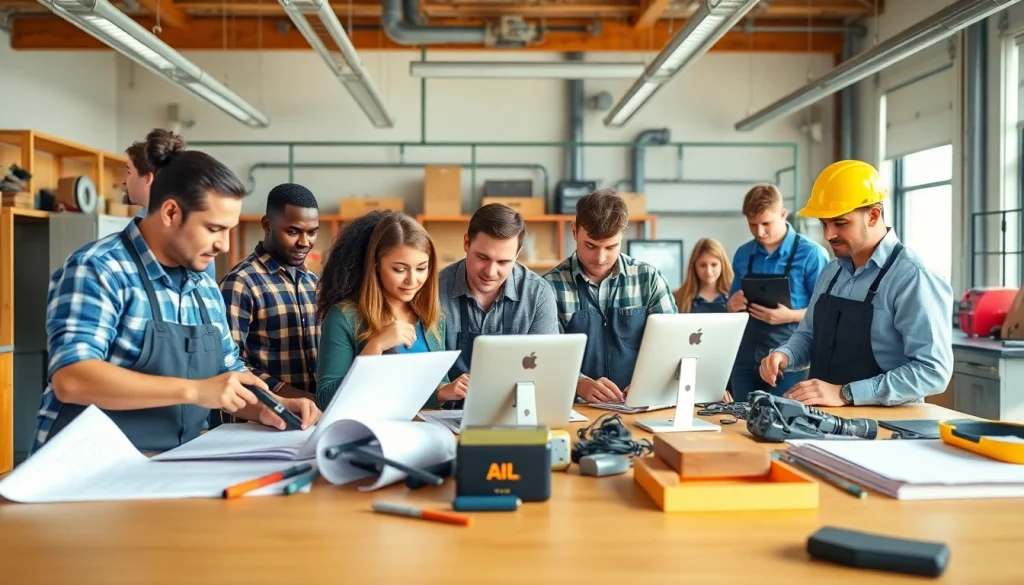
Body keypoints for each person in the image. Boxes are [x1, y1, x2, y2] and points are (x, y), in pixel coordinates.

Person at [33, 129, 321, 455]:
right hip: (83, 470)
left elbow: (228, 376)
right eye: (213, 229)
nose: (223, 245)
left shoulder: (203, 287)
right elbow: (72, 378)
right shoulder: (98, 269)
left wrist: (274, 405)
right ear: (171, 212)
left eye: (229, 231)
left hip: (168, 465)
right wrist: (195, 391)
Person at [760, 160, 954, 407]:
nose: (828, 235)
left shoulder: (913, 277)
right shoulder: (831, 272)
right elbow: (808, 335)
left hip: (888, 427)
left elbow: (932, 371)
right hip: (826, 420)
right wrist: (784, 354)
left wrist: (845, 393)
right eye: (824, 223)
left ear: (873, 215)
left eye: (840, 223)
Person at [315, 211, 463, 410]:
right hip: (368, 431)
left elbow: (413, 394)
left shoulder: (431, 317)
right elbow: (326, 399)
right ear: (375, 265)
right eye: (399, 270)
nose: (412, 280)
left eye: (421, 268)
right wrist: (375, 346)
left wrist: (443, 392)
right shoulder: (344, 317)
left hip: (423, 429)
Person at [543, 189, 677, 404]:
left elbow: (673, 346)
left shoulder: (648, 279)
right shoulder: (549, 287)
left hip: (640, 404)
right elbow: (546, 357)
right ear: (574, 231)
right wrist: (579, 384)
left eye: (611, 246)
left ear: (623, 235)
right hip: (577, 409)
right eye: (591, 246)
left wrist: (651, 381)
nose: (600, 257)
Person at [438, 204, 559, 394]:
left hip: (516, 409)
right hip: (447, 413)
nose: (490, 272)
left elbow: (547, 371)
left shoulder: (538, 294)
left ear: (517, 255)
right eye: (482, 257)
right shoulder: (434, 290)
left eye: (503, 262)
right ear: (466, 243)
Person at [220, 183, 320, 407]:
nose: (304, 242)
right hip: (258, 421)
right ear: (267, 225)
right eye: (293, 231)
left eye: (312, 232)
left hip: (311, 415)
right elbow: (227, 364)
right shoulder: (241, 283)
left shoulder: (314, 283)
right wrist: (285, 393)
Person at [726, 184, 829, 401]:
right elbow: (731, 306)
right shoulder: (743, 254)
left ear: (783, 214)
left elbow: (826, 312)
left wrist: (789, 316)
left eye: (766, 223)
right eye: (753, 225)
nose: (759, 232)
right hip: (744, 356)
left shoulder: (812, 254)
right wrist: (731, 304)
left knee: (781, 421)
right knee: (739, 419)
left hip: (789, 359)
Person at [124, 138, 218, 281]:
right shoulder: (190, 220)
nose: (125, 180)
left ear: (148, 178)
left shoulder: (148, 229)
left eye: (129, 172)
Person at [673, 238, 733, 313]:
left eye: (714, 265)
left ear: (723, 265)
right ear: (694, 266)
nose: (709, 271)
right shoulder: (677, 298)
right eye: (702, 265)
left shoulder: (734, 297)